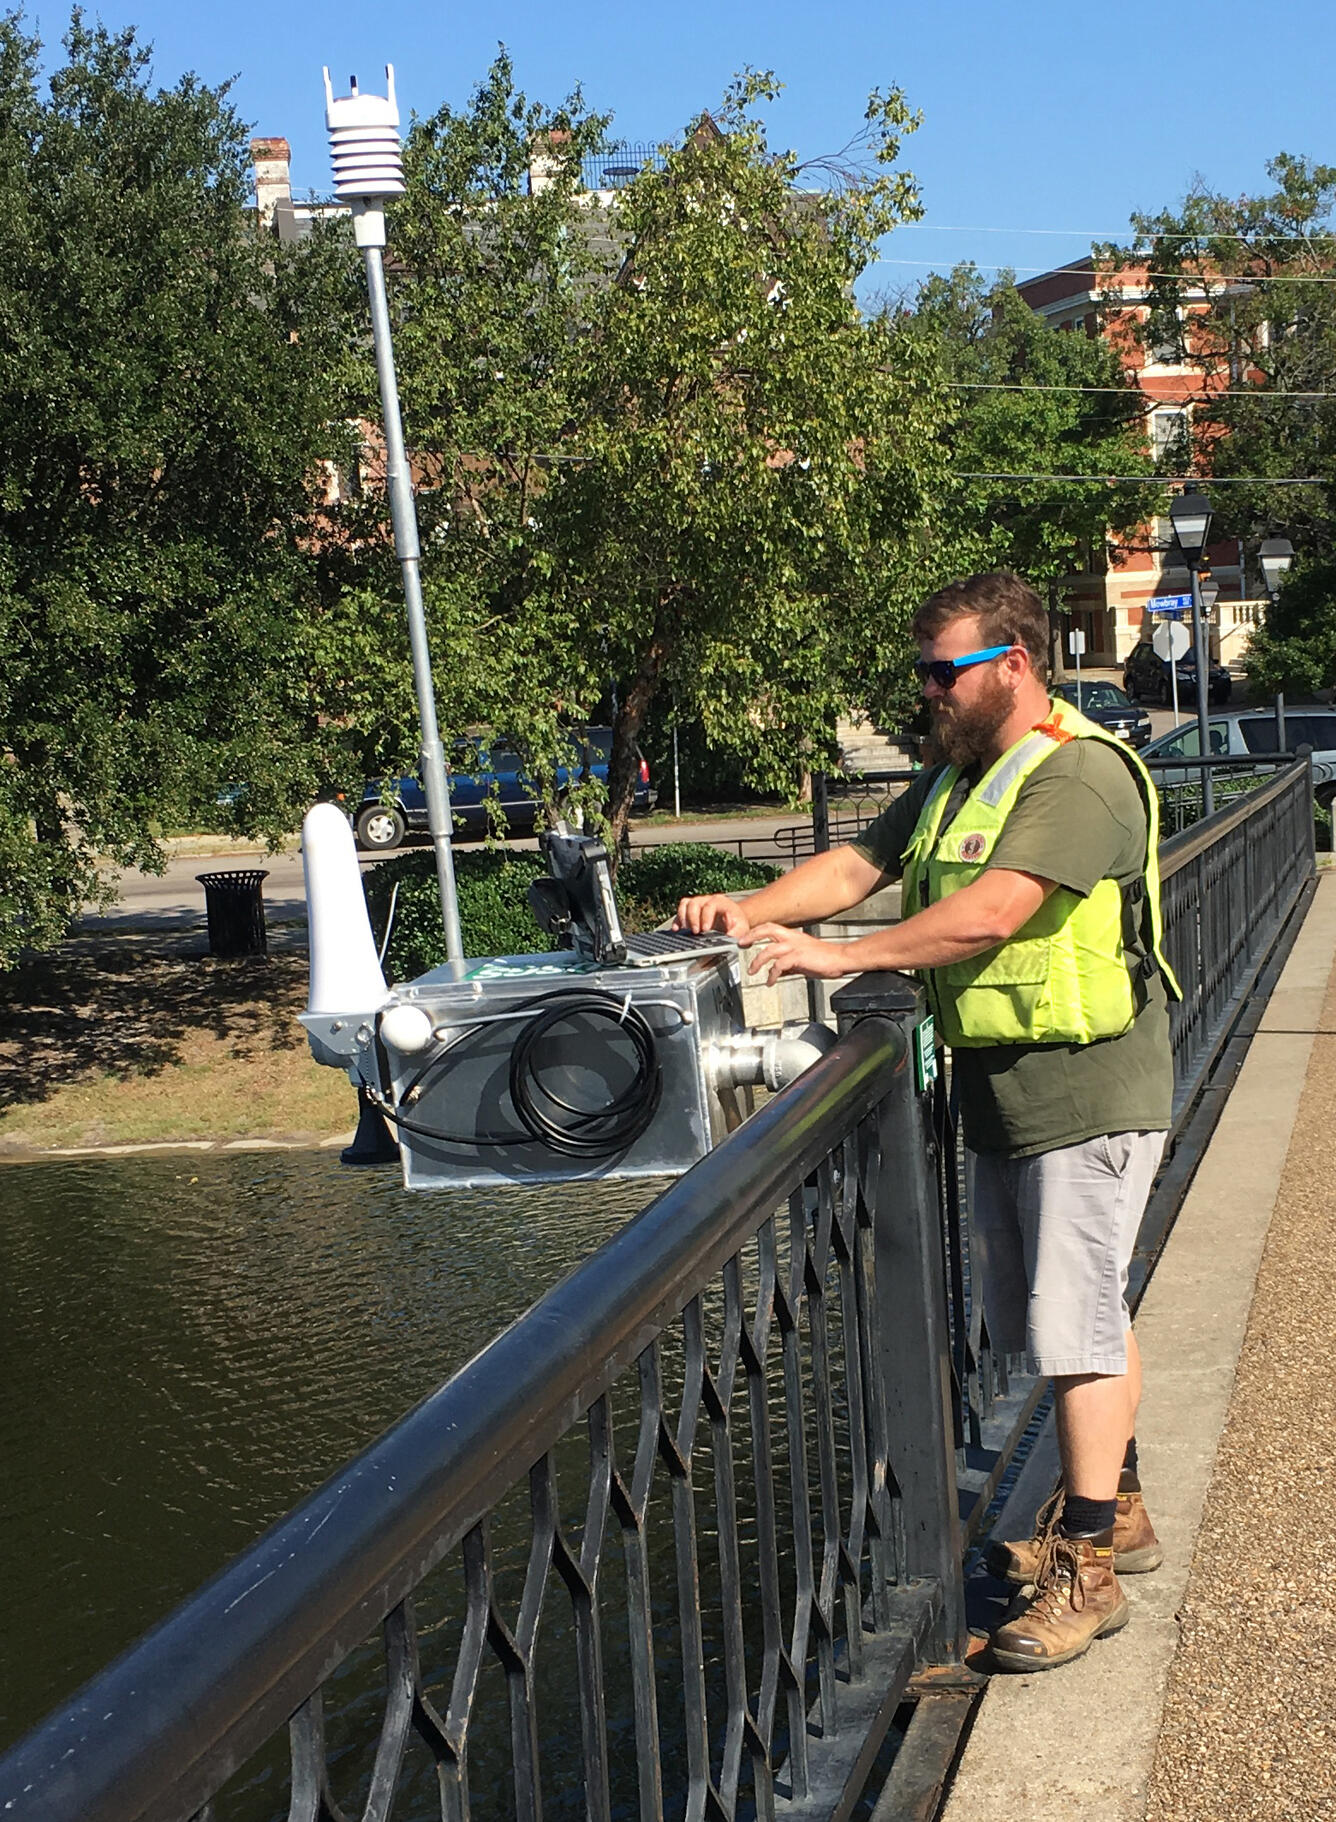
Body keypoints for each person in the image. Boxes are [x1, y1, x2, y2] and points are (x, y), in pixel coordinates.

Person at [677, 571, 1178, 1673]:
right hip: (1010, 1088)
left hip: (1086, 1088)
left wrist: (845, 957)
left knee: (1074, 1325)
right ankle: (1120, 1506)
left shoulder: (1077, 772)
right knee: (1076, 1307)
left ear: (1013, 662)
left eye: (941, 673)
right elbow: (860, 862)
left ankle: (1084, 1569)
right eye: (921, 675)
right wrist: (747, 909)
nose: (926, 695)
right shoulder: (962, 777)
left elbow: (996, 910)